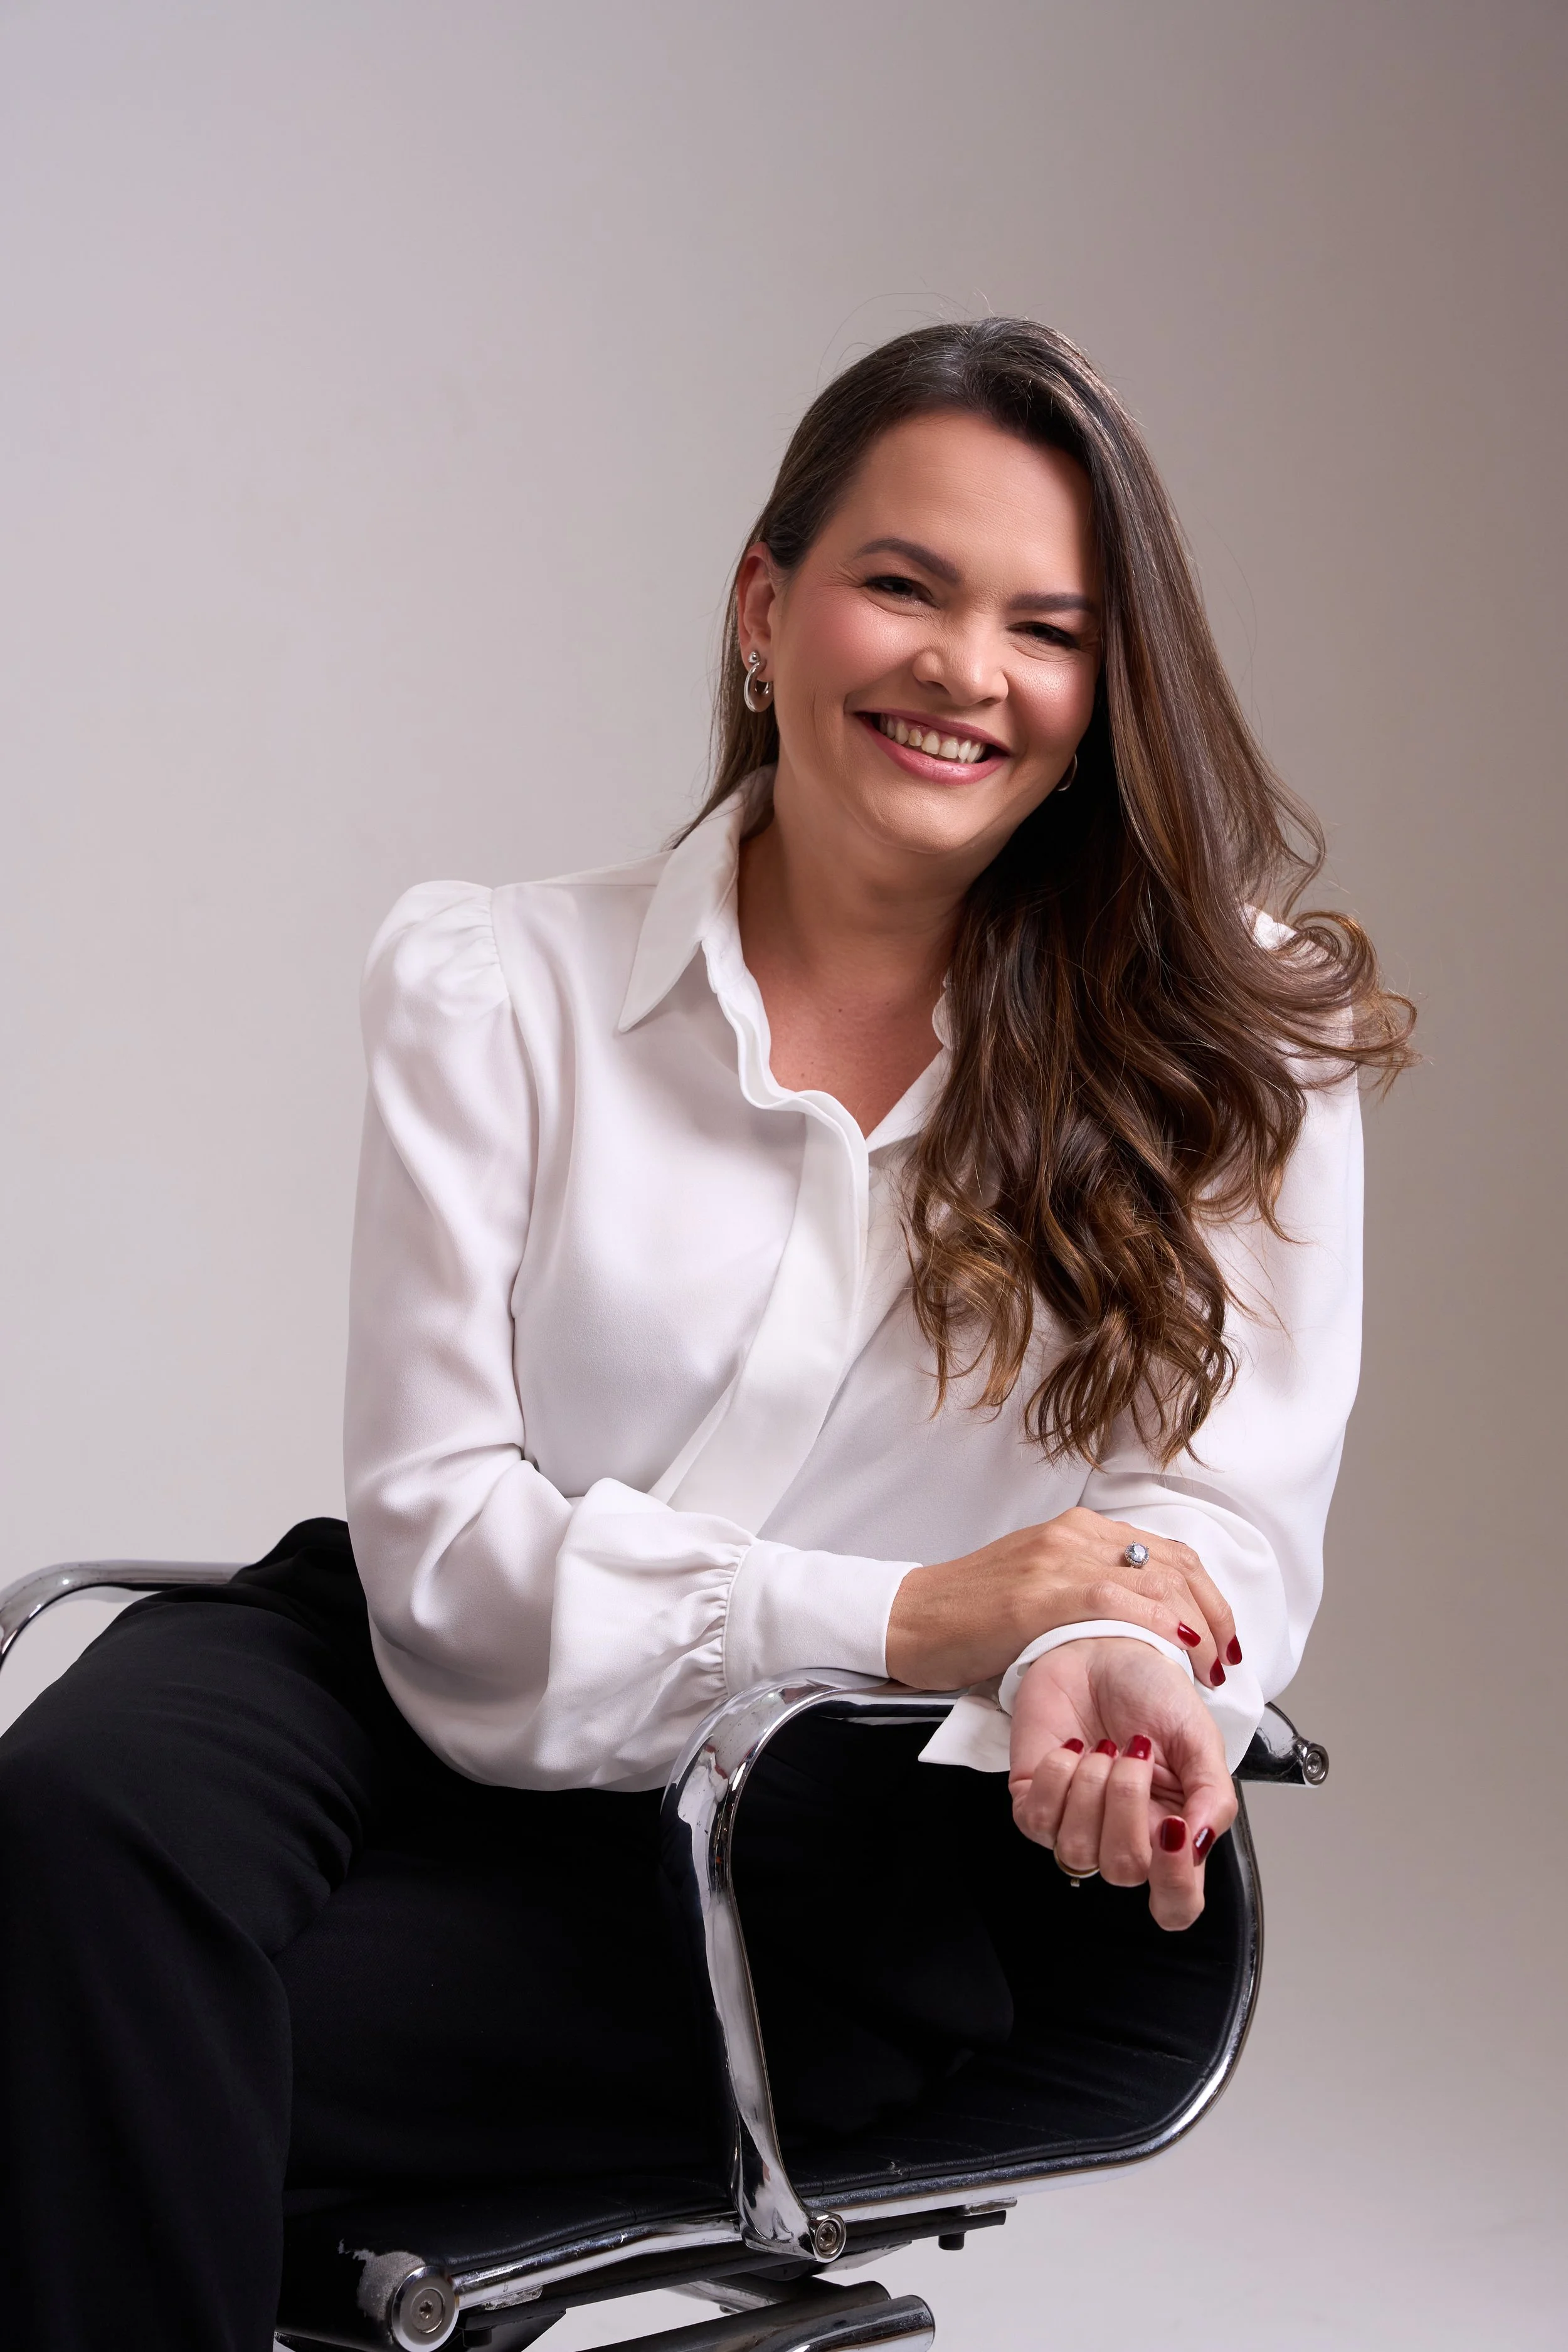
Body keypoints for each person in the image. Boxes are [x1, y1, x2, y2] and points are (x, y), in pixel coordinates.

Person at [0, 319, 1411, 2352]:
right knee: (64, 1840)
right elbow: (443, 1551)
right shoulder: (498, 983)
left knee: (85, 2052)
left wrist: (1099, 1647)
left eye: (1045, 627)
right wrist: (922, 1601)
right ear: (768, 607)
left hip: (800, 1845)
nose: (963, 670)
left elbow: (1205, 1513)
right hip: (411, 1658)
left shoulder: (1231, 1048)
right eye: (900, 585)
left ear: (1103, 695)